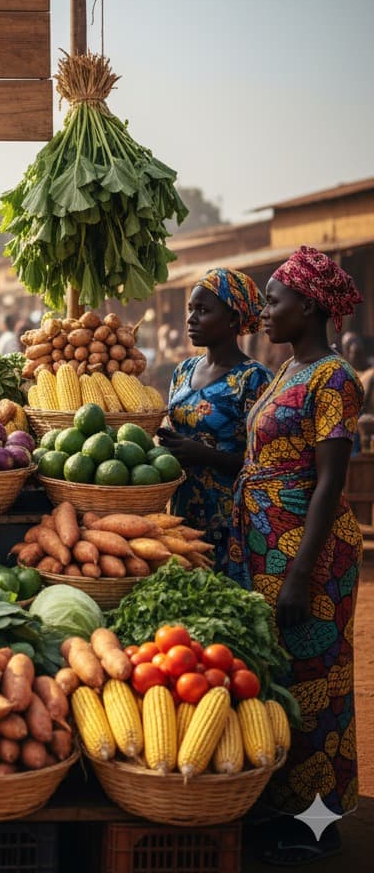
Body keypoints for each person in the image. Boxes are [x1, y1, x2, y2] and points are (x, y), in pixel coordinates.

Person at [227, 246, 364, 865]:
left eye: (275, 301)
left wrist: (301, 575)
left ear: (307, 307)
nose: (264, 313)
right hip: (263, 544)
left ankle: (318, 825)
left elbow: (331, 483)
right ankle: (281, 805)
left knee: (317, 683)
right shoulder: (286, 371)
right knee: (277, 674)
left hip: (310, 552)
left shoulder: (334, 378)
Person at [156, 269, 272, 572]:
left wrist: (202, 454)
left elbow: (263, 463)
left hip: (229, 518)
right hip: (181, 512)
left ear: (233, 318)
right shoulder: (183, 370)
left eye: (203, 310)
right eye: (191, 309)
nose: (191, 318)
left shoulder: (254, 379)